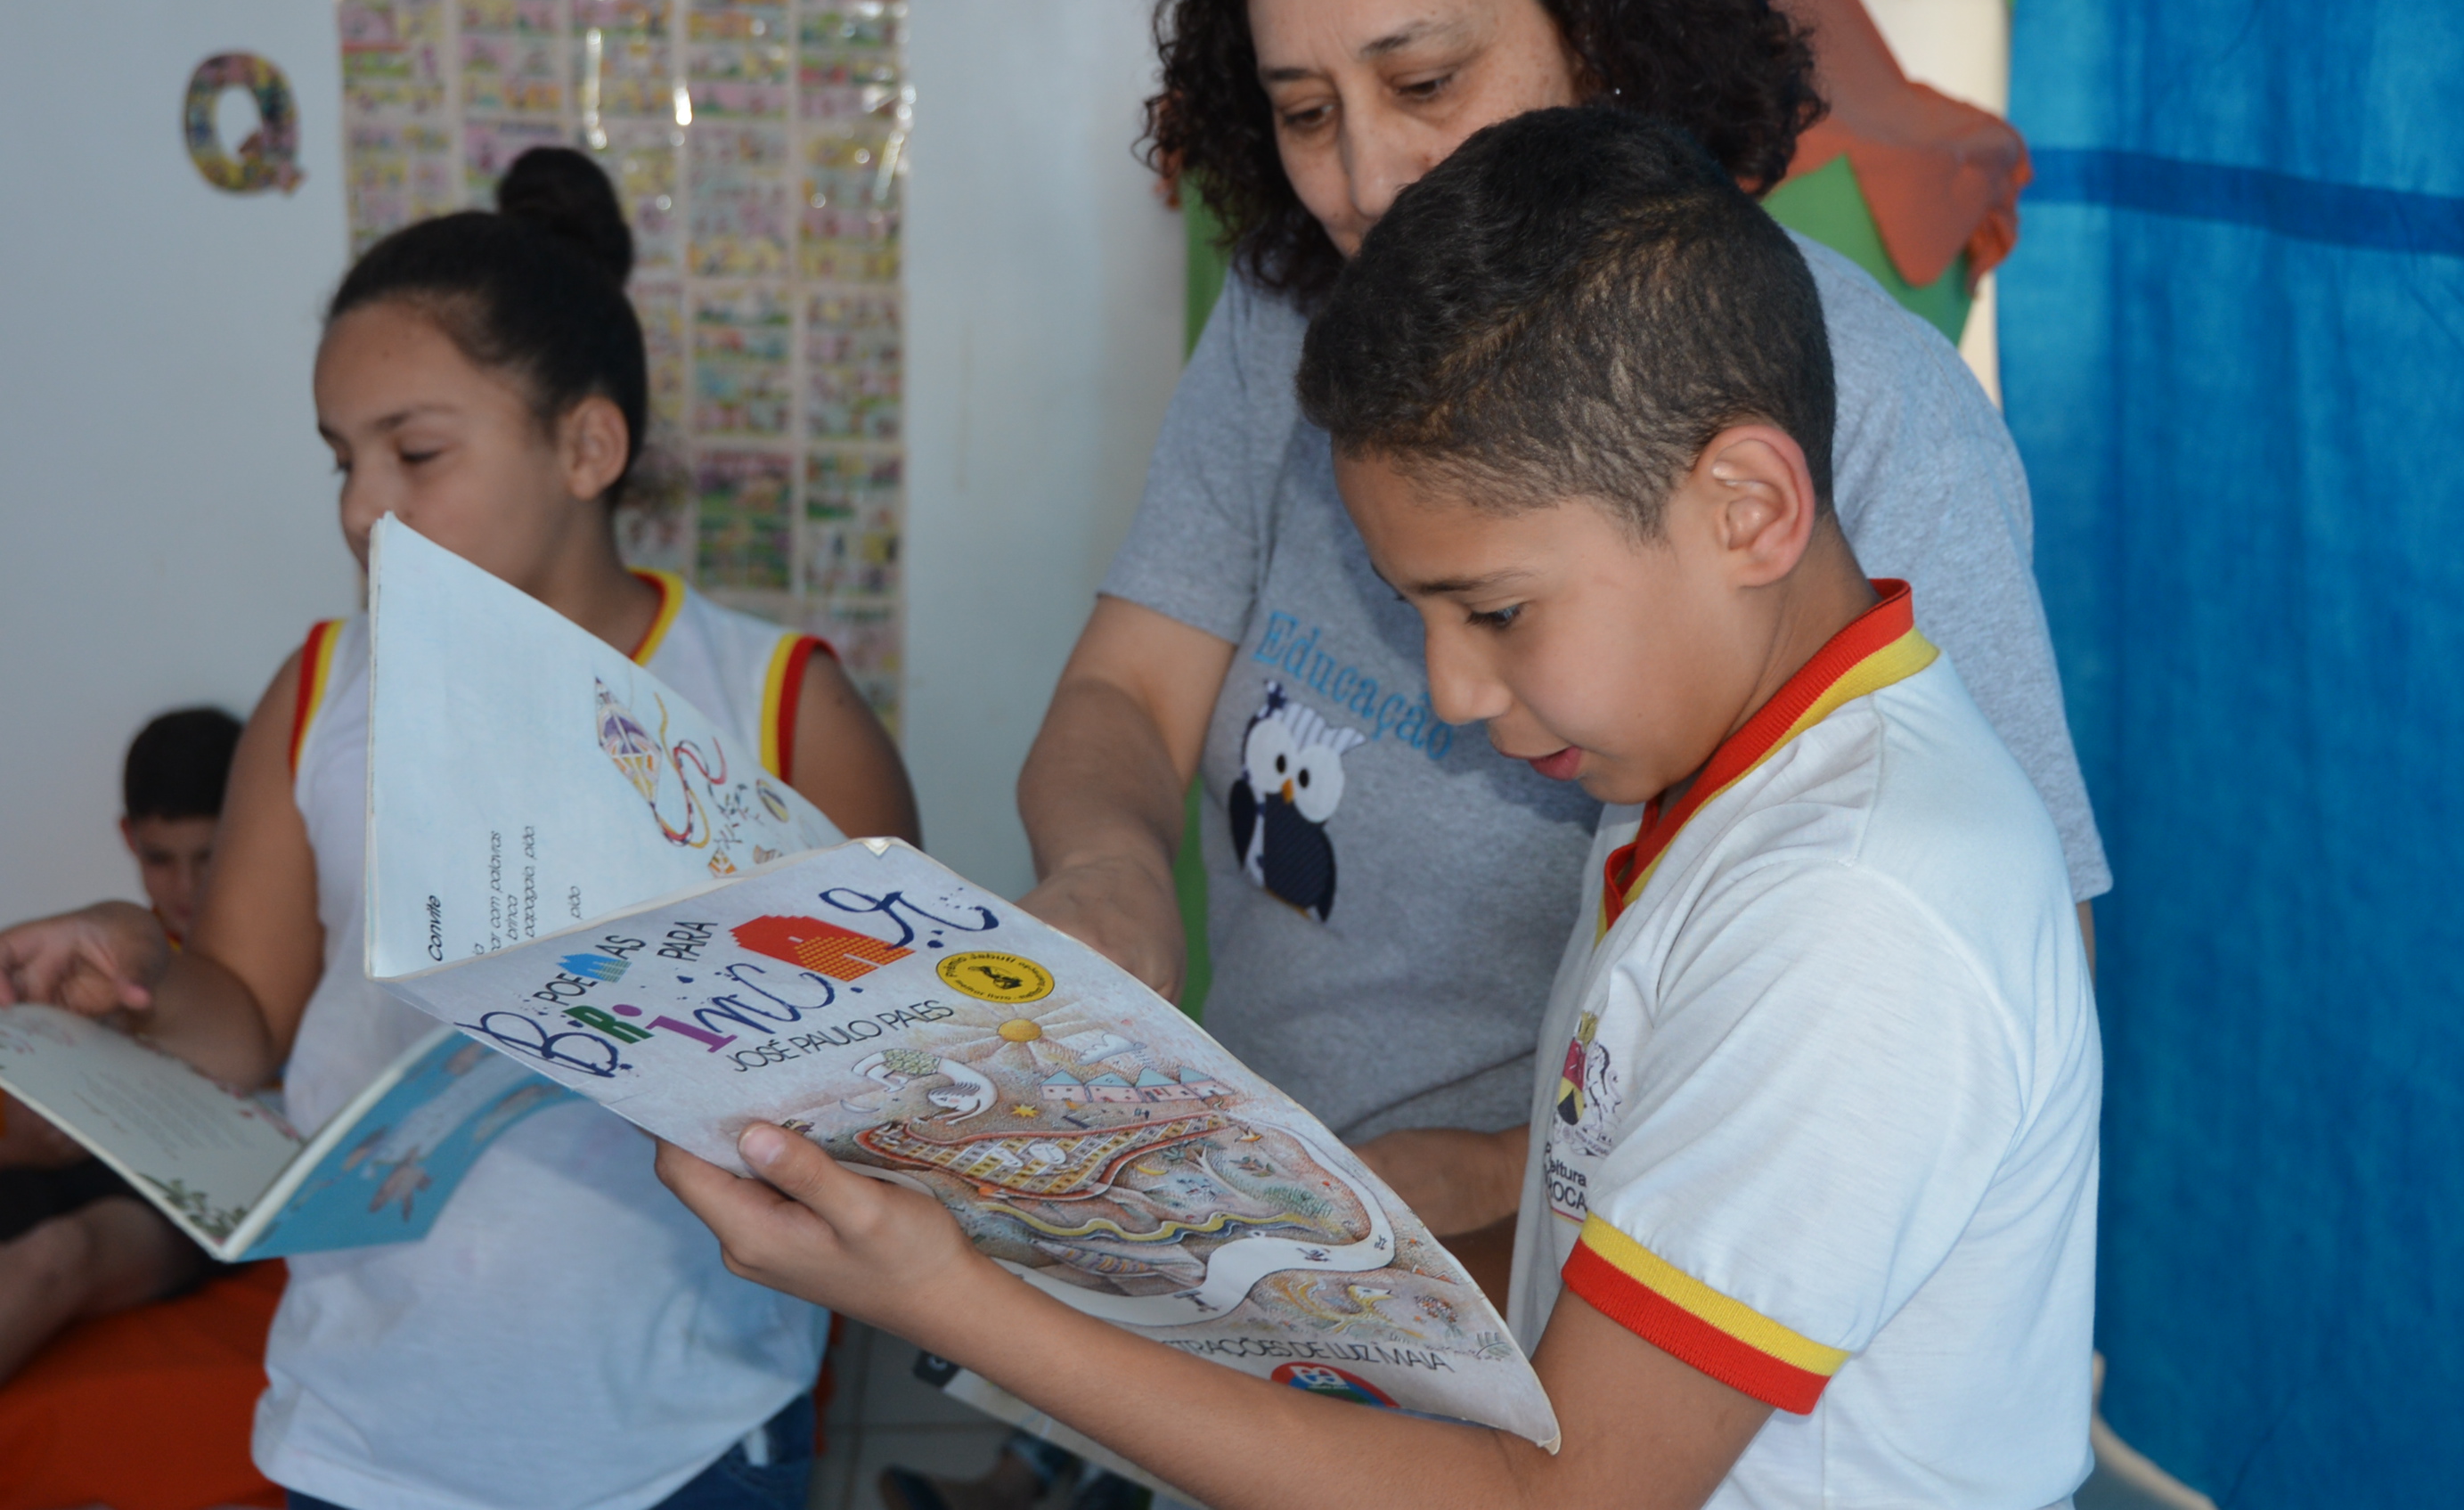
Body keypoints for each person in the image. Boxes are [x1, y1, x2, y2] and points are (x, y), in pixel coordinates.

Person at [657, 107, 2101, 1510]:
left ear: (1747, 509)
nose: (1452, 690)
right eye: (1417, 612)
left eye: (1495, 610)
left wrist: (947, 1297)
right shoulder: (1705, 782)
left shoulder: (1854, 910)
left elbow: (1562, 1499)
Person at [1015, 0, 2106, 1258]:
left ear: (1597, 39)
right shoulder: (1293, 318)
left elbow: (1995, 963)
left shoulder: (1854, 399)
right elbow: (1129, 689)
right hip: (1272, 1217)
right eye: (1302, 113)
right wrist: (1110, 874)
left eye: (1423, 85)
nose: (1363, 180)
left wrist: (1504, 1176)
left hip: (1598, 1272)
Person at [0, 149, 919, 1510]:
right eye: (341, 460)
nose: (361, 507)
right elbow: (243, 1020)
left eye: (416, 453)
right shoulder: (323, 691)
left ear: (586, 448)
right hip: (364, 1436)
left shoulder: (778, 705)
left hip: (683, 1433)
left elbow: (887, 1071)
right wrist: (130, 971)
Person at [0, 706, 242, 1385]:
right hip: (57, 1171)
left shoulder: (265, 968)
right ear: (129, 839)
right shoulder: (100, 957)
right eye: (161, 859)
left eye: (209, 855)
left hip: (175, 1203)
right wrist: (24, 1145)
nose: (186, 887)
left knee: (59, 1255)